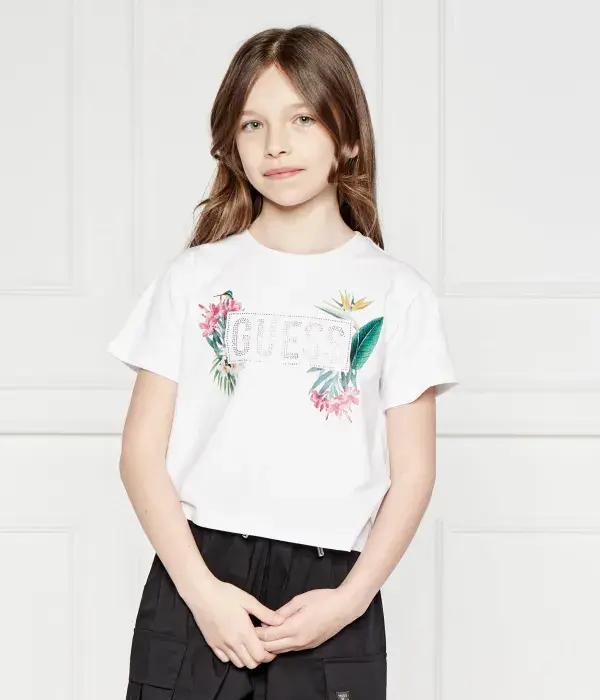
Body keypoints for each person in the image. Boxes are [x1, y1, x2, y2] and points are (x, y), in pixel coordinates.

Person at [107, 24, 459, 700]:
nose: (276, 144)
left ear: (347, 136)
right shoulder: (193, 278)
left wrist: (351, 600)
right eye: (253, 124)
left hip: (332, 591)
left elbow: (414, 473)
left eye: (302, 119)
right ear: (230, 142)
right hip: (197, 576)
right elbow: (139, 455)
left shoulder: (398, 294)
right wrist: (202, 592)